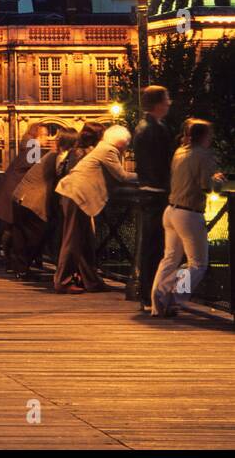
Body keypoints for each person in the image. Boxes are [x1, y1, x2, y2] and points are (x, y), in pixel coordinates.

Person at [151, 119, 225, 317]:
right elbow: (206, 186)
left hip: (171, 210)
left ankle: (158, 302)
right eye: (210, 135)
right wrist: (217, 180)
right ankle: (175, 297)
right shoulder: (204, 155)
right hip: (190, 213)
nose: (212, 138)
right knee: (198, 264)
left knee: (169, 259)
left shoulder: (179, 151)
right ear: (204, 136)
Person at [53, 124, 135, 293]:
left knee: (85, 241)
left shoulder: (99, 149)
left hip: (75, 194)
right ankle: (63, 281)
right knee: (73, 240)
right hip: (78, 195)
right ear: (122, 142)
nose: (128, 147)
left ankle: (91, 280)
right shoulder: (108, 150)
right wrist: (149, 177)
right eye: (127, 143)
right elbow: (122, 176)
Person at [9, 133, 75, 279]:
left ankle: (20, 269)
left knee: (21, 234)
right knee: (38, 234)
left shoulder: (52, 154)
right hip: (32, 200)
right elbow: (61, 174)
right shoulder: (59, 156)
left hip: (20, 195)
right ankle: (24, 268)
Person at [132, 85, 174, 310]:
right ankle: (152, 296)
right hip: (156, 194)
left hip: (148, 192)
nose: (170, 102)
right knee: (156, 247)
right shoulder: (155, 129)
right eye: (167, 98)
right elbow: (161, 164)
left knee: (152, 246)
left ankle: (149, 295)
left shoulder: (145, 127)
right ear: (158, 103)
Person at [0, 123, 42, 259]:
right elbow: (35, 168)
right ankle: (12, 258)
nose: (48, 137)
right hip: (15, 188)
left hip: (9, 186)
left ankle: (6, 255)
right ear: (37, 135)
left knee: (10, 225)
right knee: (16, 225)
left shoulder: (28, 144)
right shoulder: (34, 145)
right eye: (44, 134)